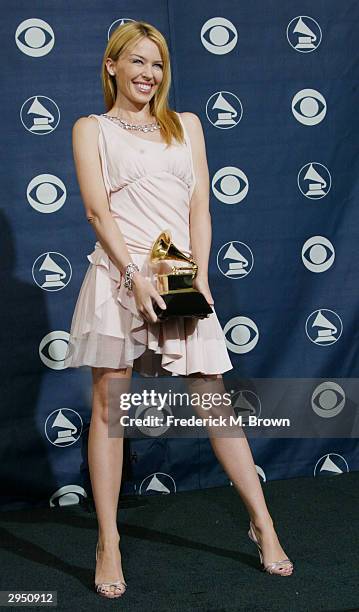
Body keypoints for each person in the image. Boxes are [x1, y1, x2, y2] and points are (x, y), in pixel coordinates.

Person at [64, 20, 294, 599]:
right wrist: (134, 275)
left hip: (178, 271)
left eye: (158, 64)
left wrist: (202, 274)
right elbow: (97, 209)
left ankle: (263, 525)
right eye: (137, 62)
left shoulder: (185, 125)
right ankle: (109, 541)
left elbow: (200, 206)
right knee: (109, 404)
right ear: (112, 66)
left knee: (214, 399)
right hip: (121, 274)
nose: (148, 74)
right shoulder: (91, 128)